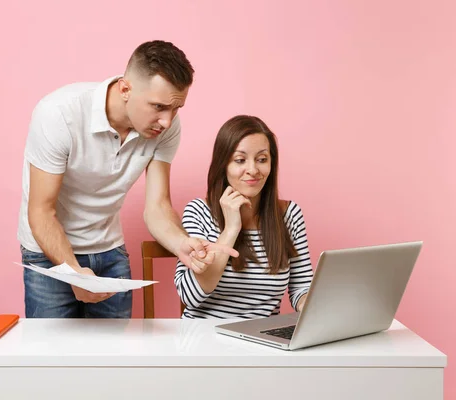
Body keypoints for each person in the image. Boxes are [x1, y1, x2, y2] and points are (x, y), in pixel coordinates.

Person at [18, 40, 237, 318]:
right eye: (158, 106)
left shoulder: (164, 128)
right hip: (48, 253)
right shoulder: (59, 114)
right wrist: (74, 272)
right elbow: (40, 212)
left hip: (109, 249)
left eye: (176, 108)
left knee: (115, 358)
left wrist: (182, 244)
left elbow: (157, 206)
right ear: (125, 89)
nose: (168, 121)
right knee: (53, 358)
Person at [174, 115, 314, 318]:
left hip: (261, 340)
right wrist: (231, 229)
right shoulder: (198, 212)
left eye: (262, 159)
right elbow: (189, 295)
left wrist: (314, 304)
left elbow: (301, 287)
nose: (253, 170)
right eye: (240, 160)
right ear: (224, 165)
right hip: (204, 340)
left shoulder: (289, 215)